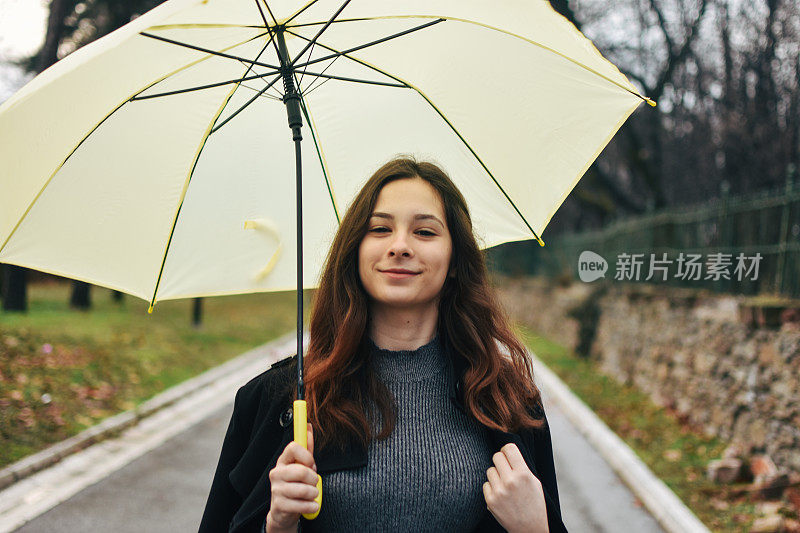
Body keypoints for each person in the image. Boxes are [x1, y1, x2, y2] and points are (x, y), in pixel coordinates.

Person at [199, 157, 568, 533]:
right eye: (379, 229)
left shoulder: (505, 399)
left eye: (425, 232)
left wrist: (535, 529)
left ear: (456, 259)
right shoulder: (282, 399)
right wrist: (278, 524)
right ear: (355, 250)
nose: (400, 246)